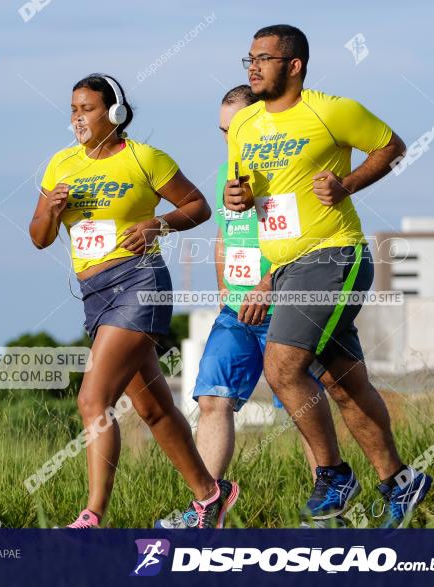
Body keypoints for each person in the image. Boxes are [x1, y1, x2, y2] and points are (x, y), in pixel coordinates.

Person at [224, 26, 432, 528]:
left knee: (282, 367)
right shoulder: (245, 124)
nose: (253, 67)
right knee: (342, 384)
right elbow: (246, 189)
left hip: (334, 257)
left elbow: (391, 146)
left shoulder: (332, 109)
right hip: (287, 267)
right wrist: (240, 201)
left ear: (294, 66)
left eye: (264, 59)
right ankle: (400, 482)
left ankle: (334, 474)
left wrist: (348, 184)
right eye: (248, 59)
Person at [30, 73, 238, 529]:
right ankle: (210, 496)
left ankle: (92, 516)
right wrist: (50, 210)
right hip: (95, 294)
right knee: (153, 408)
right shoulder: (60, 165)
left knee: (92, 400)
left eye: (86, 109)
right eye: (72, 110)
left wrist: (157, 225)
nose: (77, 118)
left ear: (115, 113)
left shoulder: (145, 159)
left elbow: (198, 206)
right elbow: (40, 238)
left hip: (140, 284)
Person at [157, 85, 339, 529]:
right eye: (223, 131)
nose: (227, 139)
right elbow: (225, 235)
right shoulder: (227, 174)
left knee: (299, 408)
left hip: (284, 306)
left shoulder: (289, 174)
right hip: (236, 312)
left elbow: (309, 245)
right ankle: (207, 507)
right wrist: (225, 293)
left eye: (234, 129)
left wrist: (267, 285)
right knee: (212, 398)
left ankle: (328, 511)